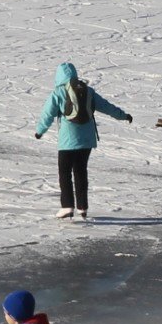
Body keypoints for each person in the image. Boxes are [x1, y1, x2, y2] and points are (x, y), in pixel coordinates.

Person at [33, 62, 133, 221]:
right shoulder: (88, 91)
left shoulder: (58, 93)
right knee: (80, 171)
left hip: (67, 141)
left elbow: (47, 115)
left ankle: (67, 206)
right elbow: (106, 107)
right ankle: (82, 208)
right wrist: (123, 115)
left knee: (65, 172)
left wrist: (39, 132)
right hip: (87, 141)